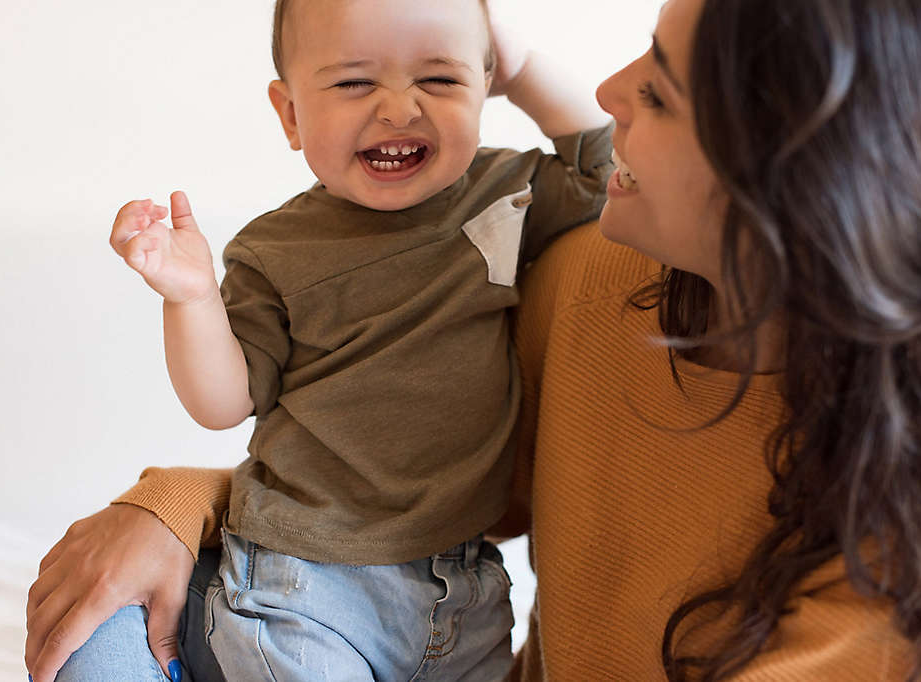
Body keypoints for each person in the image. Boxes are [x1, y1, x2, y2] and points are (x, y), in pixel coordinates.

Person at [27, 0, 921, 680]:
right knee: (101, 636)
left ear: (793, 182)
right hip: (340, 582)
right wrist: (175, 504)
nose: (608, 86)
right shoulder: (586, 279)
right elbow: (403, 454)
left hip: (442, 632)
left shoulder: (896, 548)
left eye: (663, 89)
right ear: (289, 109)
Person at [30, 0, 612, 679]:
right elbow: (226, 400)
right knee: (96, 653)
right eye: (355, 82)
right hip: (307, 576)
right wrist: (190, 297)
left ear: (486, 88)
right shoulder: (277, 249)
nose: (400, 109)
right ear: (291, 115)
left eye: (441, 79)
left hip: (465, 587)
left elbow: (613, 173)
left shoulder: (503, 193)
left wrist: (523, 66)